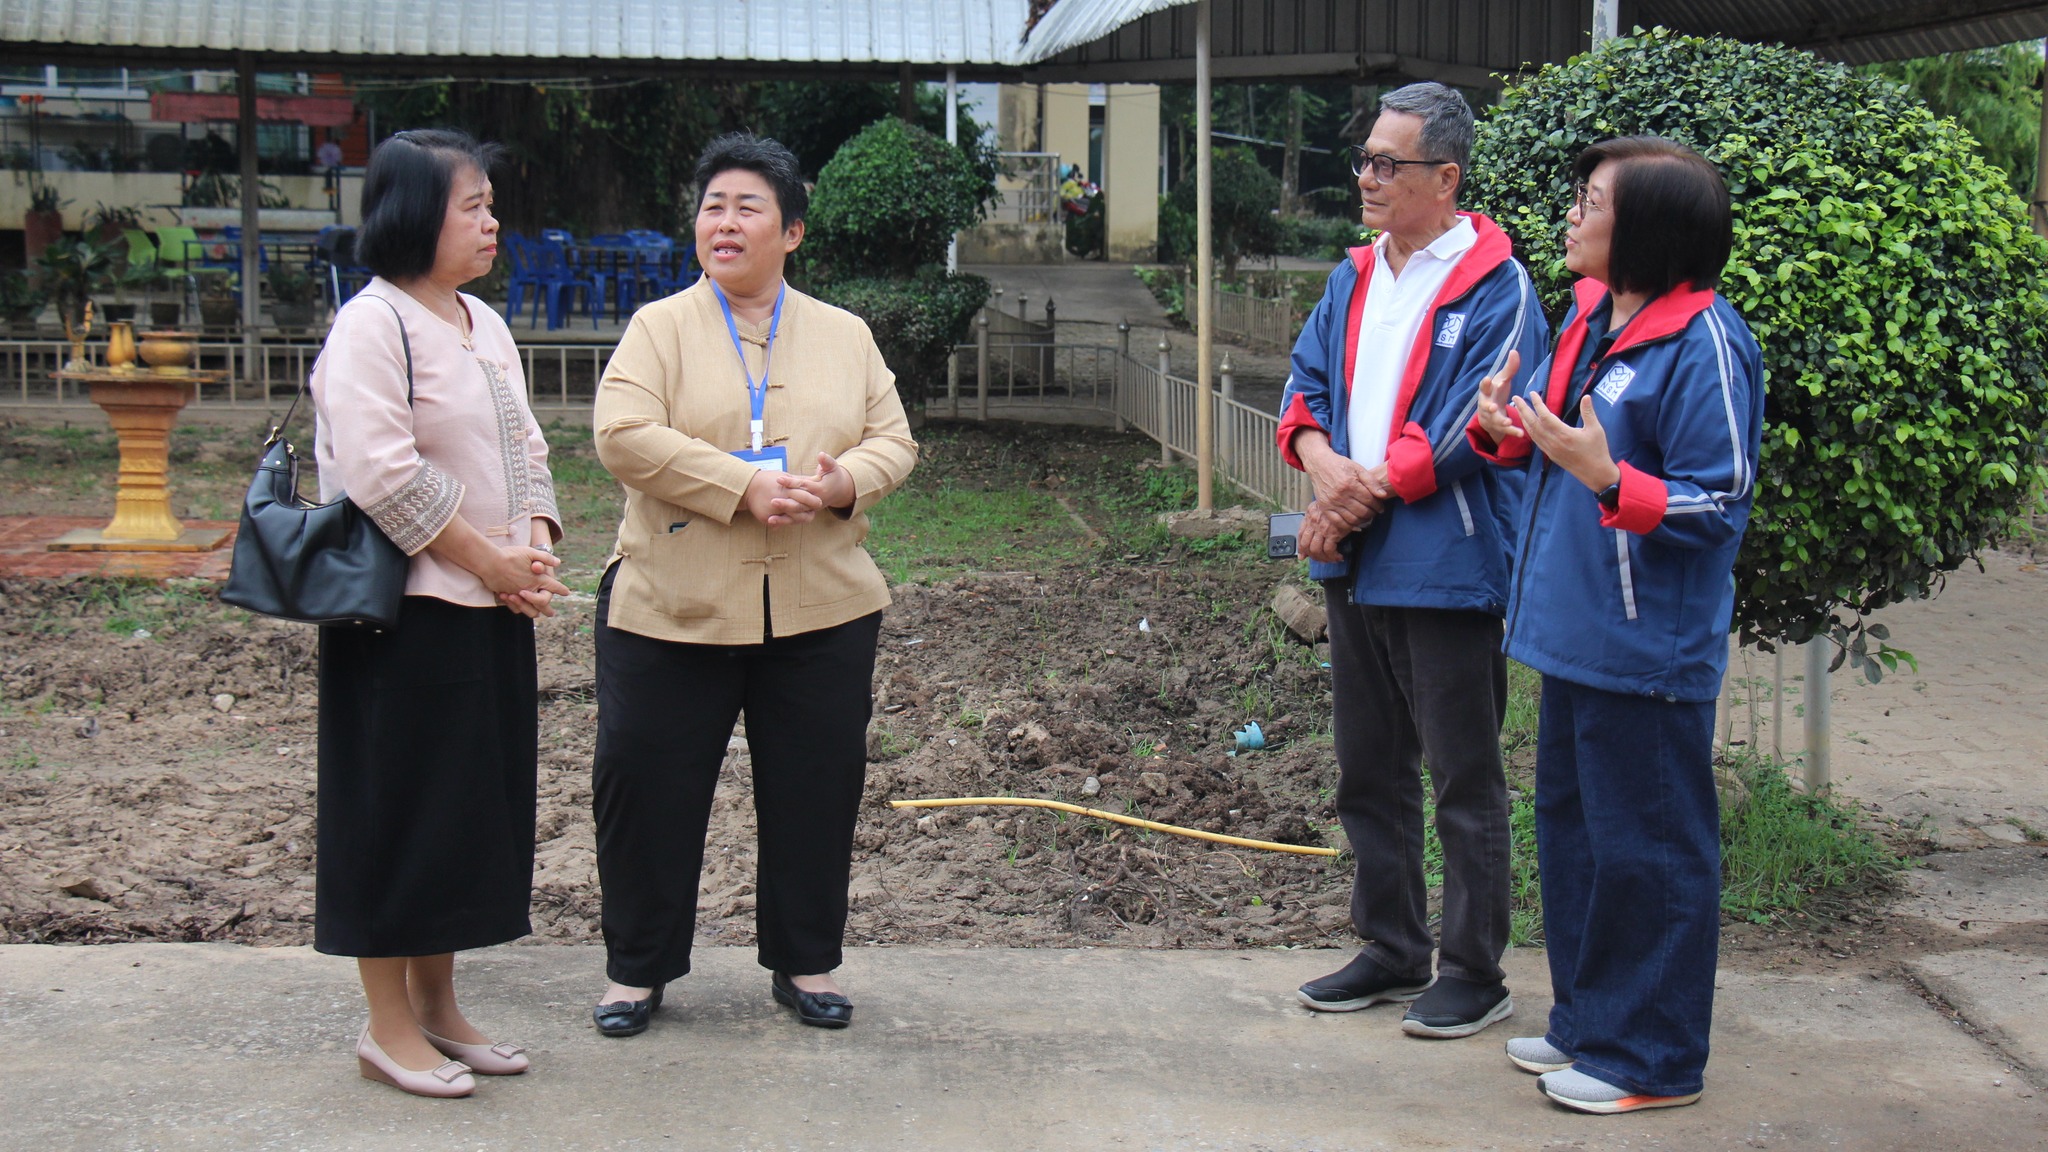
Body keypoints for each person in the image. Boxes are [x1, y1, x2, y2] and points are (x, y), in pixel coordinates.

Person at [587, 132, 917, 1037]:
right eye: (711, 207)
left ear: (793, 233)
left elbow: (893, 438)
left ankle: (805, 961)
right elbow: (622, 434)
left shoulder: (844, 335)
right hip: (671, 606)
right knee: (645, 789)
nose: (723, 223)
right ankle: (636, 970)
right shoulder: (660, 328)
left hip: (821, 605)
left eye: (747, 208)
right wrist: (744, 485)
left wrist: (841, 482)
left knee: (816, 786)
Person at [1472, 136, 1763, 1114]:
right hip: (1570, 629)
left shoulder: (1704, 341)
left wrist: (1608, 478)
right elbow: (1547, 438)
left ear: (1641, 229)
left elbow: (1718, 504)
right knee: (1576, 835)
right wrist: (1504, 430)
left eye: (1589, 201)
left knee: (1649, 848)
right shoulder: (1594, 313)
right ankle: (1587, 1023)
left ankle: (1652, 1057)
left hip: (1645, 647)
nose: (1571, 215)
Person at [1275, 82, 1548, 1039]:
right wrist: (1320, 467)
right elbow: (1304, 385)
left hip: (1446, 561)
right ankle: (1392, 945)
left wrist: (1357, 493)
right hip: (1354, 553)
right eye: (1366, 160)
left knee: (1462, 776)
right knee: (1369, 764)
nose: (1368, 178)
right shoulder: (1355, 275)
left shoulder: (1499, 285)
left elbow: (1477, 424)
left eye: (1390, 164)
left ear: (1447, 177)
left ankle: (1474, 968)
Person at [310, 127, 570, 1100]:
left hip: (487, 612)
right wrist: (488, 559)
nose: (492, 221)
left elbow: (529, 444)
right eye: (474, 205)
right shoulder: (371, 326)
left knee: (465, 815)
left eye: (490, 204)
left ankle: (439, 1007)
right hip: (402, 621)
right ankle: (387, 1027)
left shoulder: (479, 322)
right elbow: (383, 475)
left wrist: (533, 544)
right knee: (398, 818)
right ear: (416, 214)